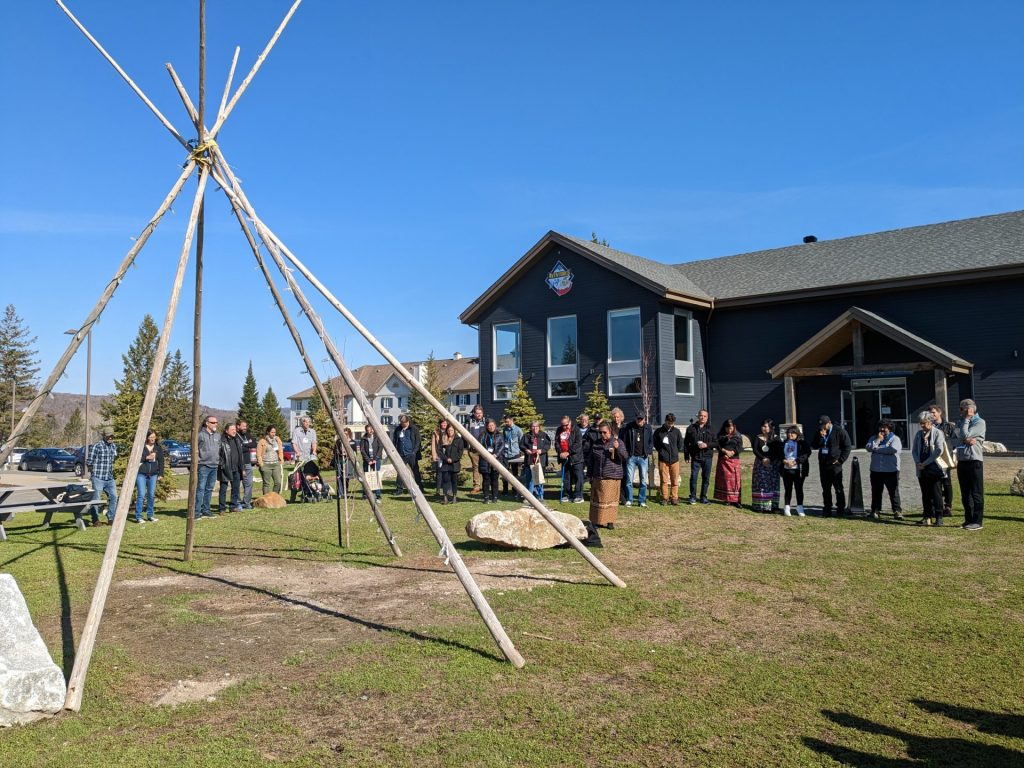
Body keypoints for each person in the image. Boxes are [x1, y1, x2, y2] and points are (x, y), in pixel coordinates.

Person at [953, 398, 986, 531]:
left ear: (970, 409)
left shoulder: (979, 422)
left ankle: (977, 521)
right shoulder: (960, 421)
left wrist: (966, 421)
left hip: (974, 460)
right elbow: (956, 437)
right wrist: (964, 437)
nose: (960, 411)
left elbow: (965, 433)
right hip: (962, 460)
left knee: (976, 492)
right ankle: (968, 519)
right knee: (965, 492)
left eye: (962, 409)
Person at [811, 415, 852, 517]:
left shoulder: (839, 431)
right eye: (821, 425)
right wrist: (821, 437)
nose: (823, 427)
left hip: (835, 464)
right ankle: (827, 508)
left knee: (838, 487)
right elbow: (814, 445)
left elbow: (847, 446)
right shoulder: (819, 431)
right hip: (824, 464)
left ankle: (840, 508)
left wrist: (841, 460)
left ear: (829, 423)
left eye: (824, 425)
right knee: (826, 488)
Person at [589, 421, 626, 529]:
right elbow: (591, 460)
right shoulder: (596, 444)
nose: (602, 435)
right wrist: (589, 474)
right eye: (600, 432)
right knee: (598, 500)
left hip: (612, 476)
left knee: (609, 500)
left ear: (610, 432)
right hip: (598, 476)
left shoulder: (617, 442)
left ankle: (610, 521)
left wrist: (618, 448)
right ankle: (597, 521)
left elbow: (624, 457)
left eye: (604, 432)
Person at [912, 411, 947, 526]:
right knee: (925, 493)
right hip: (921, 468)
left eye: (924, 423)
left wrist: (925, 463)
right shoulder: (918, 434)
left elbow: (938, 450)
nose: (922, 425)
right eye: (920, 423)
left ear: (930, 422)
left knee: (936, 493)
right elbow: (914, 450)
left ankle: (939, 517)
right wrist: (918, 462)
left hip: (934, 467)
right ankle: (927, 516)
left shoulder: (937, 433)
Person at [865, 419, 903, 521]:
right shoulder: (874, 438)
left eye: (885, 428)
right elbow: (868, 448)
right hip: (876, 470)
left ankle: (897, 511)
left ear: (889, 429)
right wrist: (877, 441)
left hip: (891, 470)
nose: (882, 429)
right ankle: (875, 510)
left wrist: (876, 449)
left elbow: (893, 450)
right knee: (876, 491)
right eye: (880, 427)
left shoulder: (895, 439)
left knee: (893, 492)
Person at [929, 404, 956, 518]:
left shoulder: (949, 426)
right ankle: (936, 506)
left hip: (945, 458)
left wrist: (954, 456)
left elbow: (955, 441)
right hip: (933, 458)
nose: (932, 415)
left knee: (947, 482)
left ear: (939, 413)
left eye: (933, 412)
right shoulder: (929, 426)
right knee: (936, 484)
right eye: (930, 413)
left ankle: (948, 506)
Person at [87, 426, 118, 526]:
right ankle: (95, 519)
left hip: (109, 477)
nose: (110, 438)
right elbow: (89, 462)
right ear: (104, 436)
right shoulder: (97, 446)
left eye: (112, 436)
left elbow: (113, 460)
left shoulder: (113, 446)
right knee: (96, 498)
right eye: (108, 436)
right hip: (98, 477)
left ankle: (111, 518)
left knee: (114, 497)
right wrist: (93, 474)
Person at [620, 414, 653, 508]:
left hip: (643, 457)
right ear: (635, 419)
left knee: (643, 480)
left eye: (641, 419)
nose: (639, 421)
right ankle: (629, 500)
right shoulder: (629, 427)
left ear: (644, 419)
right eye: (638, 419)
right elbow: (623, 440)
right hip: (631, 457)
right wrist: (626, 453)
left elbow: (651, 441)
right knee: (629, 480)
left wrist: (648, 451)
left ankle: (641, 500)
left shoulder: (648, 428)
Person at [750, 419, 781, 513]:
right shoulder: (757, 437)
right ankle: (760, 506)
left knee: (772, 484)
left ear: (771, 427)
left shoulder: (776, 438)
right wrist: (763, 458)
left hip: (773, 465)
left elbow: (778, 451)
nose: (763, 428)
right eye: (762, 426)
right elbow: (755, 450)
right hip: (760, 463)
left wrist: (770, 459)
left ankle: (773, 507)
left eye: (766, 426)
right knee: (761, 484)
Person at [653, 413, 685, 505]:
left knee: (675, 480)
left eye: (672, 423)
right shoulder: (659, 431)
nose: (670, 424)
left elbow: (680, 444)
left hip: (675, 460)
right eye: (669, 422)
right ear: (665, 421)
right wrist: (662, 451)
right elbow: (655, 443)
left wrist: (675, 451)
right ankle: (664, 498)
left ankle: (674, 498)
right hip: (663, 460)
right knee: (664, 480)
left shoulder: (677, 431)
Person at [684, 409, 714, 505]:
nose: (703, 417)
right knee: (693, 477)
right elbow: (686, 443)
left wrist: (707, 445)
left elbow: (716, 443)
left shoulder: (711, 429)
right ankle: (692, 497)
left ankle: (703, 497)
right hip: (695, 457)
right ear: (698, 416)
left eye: (705, 416)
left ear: (707, 418)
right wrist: (686, 455)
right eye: (701, 415)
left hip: (707, 457)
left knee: (706, 478)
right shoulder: (691, 428)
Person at [779, 425, 810, 516]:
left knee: (799, 489)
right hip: (786, 469)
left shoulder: (802, 443)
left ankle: (800, 507)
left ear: (797, 434)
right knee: (788, 489)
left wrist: (796, 461)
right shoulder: (784, 442)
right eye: (788, 433)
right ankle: (787, 507)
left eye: (792, 433)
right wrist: (784, 461)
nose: (790, 434)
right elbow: (780, 454)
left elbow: (807, 453)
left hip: (798, 470)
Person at [194, 415, 221, 520]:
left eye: (216, 422)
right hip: (203, 465)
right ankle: (196, 512)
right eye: (213, 422)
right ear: (207, 423)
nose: (216, 424)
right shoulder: (200, 435)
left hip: (214, 465)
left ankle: (206, 510)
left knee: (209, 489)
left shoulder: (217, 436)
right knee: (201, 488)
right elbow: (194, 449)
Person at [134, 429, 163, 523]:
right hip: (141, 474)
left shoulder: (158, 447)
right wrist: (146, 457)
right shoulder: (141, 447)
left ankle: (150, 515)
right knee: (141, 494)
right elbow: (136, 458)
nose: (153, 439)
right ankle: (138, 516)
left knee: (151, 495)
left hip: (153, 475)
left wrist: (161, 473)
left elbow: (161, 461)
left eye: (154, 437)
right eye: (151, 437)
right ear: (146, 437)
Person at [554, 415, 585, 503]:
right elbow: (556, 442)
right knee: (566, 477)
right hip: (564, 458)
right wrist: (560, 452)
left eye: (566, 425)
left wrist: (568, 452)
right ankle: (567, 494)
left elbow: (578, 444)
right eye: (563, 425)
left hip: (576, 458)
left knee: (578, 477)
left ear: (570, 422)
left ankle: (578, 495)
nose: (564, 427)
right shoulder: (559, 430)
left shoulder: (576, 430)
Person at [713, 419, 743, 507]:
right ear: (724, 427)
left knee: (736, 480)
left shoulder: (737, 435)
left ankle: (736, 500)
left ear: (734, 427)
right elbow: (718, 445)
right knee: (726, 480)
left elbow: (740, 447)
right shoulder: (720, 435)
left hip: (734, 460)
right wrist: (724, 452)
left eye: (731, 428)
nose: (729, 430)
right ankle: (727, 499)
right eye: (727, 428)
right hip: (723, 460)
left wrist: (732, 453)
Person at [391, 414, 424, 494]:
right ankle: (399, 489)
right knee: (400, 472)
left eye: (404, 423)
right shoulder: (398, 429)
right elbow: (395, 440)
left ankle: (420, 488)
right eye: (401, 423)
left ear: (407, 421)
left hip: (411, 454)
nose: (402, 425)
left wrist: (414, 452)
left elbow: (418, 441)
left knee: (415, 471)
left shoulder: (414, 429)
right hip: (401, 454)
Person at [520, 420, 551, 500]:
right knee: (529, 480)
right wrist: (526, 450)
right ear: (531, 427)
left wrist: (542, 450)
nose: (534, 428)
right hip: (529, 461)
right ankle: (529, 497)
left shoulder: (544, 435)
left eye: (536, 426)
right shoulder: (526, 435)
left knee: (539, 479)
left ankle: (540, 496)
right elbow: (521, 445)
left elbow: (548, 445)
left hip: (540, 461)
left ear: (539, 427)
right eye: (533, 426)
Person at [219, 422, 245, 512]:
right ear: (226, 431)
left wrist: (242, 468)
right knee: (223, 489)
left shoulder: (237, 440)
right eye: (232, 430)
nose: (234, 431)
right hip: (225, 468)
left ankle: (233, 506)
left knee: (235, 489)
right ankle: (222, 508)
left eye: (235, 429)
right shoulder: (221, 440)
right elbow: (219, 455)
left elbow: (240, 455)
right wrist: (222, 465)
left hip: (236, 469)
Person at [477, 418, 504, 503]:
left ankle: (495, 497)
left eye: (492, 425)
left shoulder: (500, 435)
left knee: (495, 480)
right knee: (486, 480)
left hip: (496, 459)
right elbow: (479, 445)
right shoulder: (483, 435)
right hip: (485, 460)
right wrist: (487, 455)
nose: (491, 427)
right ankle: (485, 497)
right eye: (489, 426)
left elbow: (502, 446)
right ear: (486, 426)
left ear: (495, 426)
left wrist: (495, 454)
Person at [438, 424, 464, 504]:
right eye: (448, 430)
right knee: (445, 480)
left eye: (451, 430)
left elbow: (460, 453)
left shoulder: (459, 440)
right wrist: (446, 459)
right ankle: (445, 497)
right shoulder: (443, 439)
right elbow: (439, 451)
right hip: (445, 464)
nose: (450, 432)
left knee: (454, 481)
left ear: (454, 431)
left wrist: (452, 460)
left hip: (454, 464)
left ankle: (454, 497)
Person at [256, 425, 284, 495]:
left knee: (278, 482)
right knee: (266, 484)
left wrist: (281, 460)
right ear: (268, 432)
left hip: (276, 464)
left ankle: (274, 497)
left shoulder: (277, 440)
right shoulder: (262, 441)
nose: (273, 434)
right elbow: (258, 454)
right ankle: (266, 500)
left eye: (274, 432)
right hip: (266, 465)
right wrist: (261, 464)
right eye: (272, 432)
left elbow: (280, 450)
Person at [499, 415, 524, 497]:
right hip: (506, 454)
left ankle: (515, 490)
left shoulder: (518, 430)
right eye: (505, 422)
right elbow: (504, 439)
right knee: (505, 473)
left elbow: (522, 441)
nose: (506, 423)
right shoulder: (505, 429)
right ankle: (505, 490)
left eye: (508, 421)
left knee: (515, 473)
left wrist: (520, 452)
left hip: (515, 454)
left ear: (512, 420)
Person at [360, 423, 384, 501]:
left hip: (376, 460)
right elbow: (362, 450)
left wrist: (375, 459)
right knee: (366, 477)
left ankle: (378, 494)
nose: (370, 431)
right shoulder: (363, 439)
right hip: (367, 461)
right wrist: (368, 460)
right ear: (366, 431)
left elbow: (380, 448)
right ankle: (365, 493)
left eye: (371, 430)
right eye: (368, 430)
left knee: (376, 476)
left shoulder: (377, 437)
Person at [236, 419, 256, 509]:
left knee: (249, 483)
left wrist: (244, 445)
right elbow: (238, 448)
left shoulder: (248, 435)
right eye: (243, 426)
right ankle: (236, 502)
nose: (245, 428)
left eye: (245, 426)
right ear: (238, 426)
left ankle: (246, 503)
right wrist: (247, 445)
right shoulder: (236, 435)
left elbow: (254, 444)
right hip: (238, 463)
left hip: (248, 463)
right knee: (236, 484)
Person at [466, 405, 487, 494]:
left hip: (485, 449)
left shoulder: (486, 421)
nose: (479, 415)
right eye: (477, 413)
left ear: (483, 413)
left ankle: (486, 485)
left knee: (486, 468)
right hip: (473, 450)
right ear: (474, 413)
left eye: (480, 413)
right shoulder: (469, 422)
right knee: (476, 468)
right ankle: (477, 486)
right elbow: (465, 434)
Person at [609, 407, 627, 502]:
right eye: (614, 417)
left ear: (621, 417)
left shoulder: (625, 427)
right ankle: (614, 496)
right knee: (613, 475)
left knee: (623, 476)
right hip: (612, 454)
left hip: (622, 454)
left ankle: (623, 497)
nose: (616, 419)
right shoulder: (610, 427)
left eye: (618, 417)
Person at [430, 418, 451, 497]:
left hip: (447, 455)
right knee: (439, 473)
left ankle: (448, 490)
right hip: (439, 454)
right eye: (442, 423)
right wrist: (434, 455)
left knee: (448, 472)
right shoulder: (436, 432)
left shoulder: (450, 431)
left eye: (445, 423)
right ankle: (438, 490)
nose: (444, 425)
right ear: (440, 424)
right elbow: (433, 444)